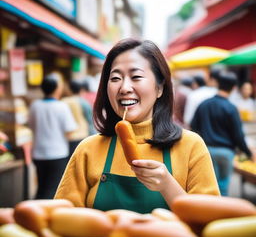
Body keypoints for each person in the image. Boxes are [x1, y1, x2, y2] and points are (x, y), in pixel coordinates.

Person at [55, 38, 219, 213]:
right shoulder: (88, 149)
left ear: (160, 88)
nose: (125, 87)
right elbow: (61, 218)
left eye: (136, 77)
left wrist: (167, 185)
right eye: (115, 78)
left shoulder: (191, 146)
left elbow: (210, 225)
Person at [191, 71, 256, 196]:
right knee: (223, 186)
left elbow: (194, 127)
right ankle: (221, 212)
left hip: (205, 150)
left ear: (218, 84)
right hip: (226, 152)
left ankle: (208, 213)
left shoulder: (204, 104)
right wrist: (248, 152)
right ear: (234, 88)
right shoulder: (231, 108)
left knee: (208, 185)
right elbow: (238, 135)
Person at [29, 72, 77, 199]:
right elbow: (70, 131)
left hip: (38, 153)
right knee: (53, 189)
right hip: (57, 153)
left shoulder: (35, 105)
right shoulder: (61, 106)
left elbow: (31, 126)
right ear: (56, 88)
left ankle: (34, 213)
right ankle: (44, 215)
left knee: (41, 186)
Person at [62, 79, 96, 156]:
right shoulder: (84, 102)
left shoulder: (63, 101)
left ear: (70, 89)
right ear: (81, 89)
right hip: (82, 136)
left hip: (67, 138)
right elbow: (90, 121)